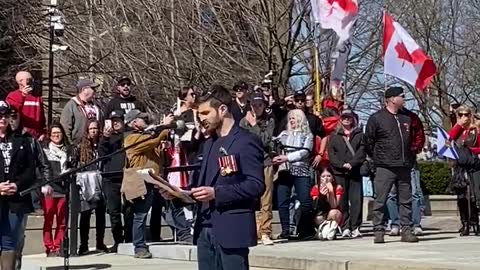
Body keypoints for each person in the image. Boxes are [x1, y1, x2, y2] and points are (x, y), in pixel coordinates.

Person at [164, 84, 264, 270]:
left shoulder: (245, 142)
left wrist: (217, 193)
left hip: (232, 228)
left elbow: (256, 185)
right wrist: (179, 194)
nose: (200, 119)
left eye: (205, 113)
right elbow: (202, 185)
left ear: (223, 110)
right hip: (204, 228)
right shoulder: (209, 143)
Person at [365, 86, 418, 244]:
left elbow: (413, 139)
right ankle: (379, 230)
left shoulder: (406, 118)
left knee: (406, 200)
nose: (404, 98)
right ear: (392, 99)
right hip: (385, 166)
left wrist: (411, 155)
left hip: (404, 165)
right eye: (402, 96)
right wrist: (377, 158)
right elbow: (368, 141)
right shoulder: (376, 118)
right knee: (381, 200)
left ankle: (406, 230)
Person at [0, 101, 49, 270]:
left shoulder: (22, 140)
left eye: (5, 116)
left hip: (15, 198)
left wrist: (17, 184)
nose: (3, 119)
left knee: (10, 242)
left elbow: (30, 169)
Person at [123, 109, 170, 259]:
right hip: (141, 180)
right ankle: (139, 246)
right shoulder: (131, 138)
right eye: (142, 119)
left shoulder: (147, 136)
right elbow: (151, 143)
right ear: (134, 122)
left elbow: (155, 148)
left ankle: (184, 235)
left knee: (174, 205)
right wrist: (164, 128)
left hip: (156, 178)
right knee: (140, 215)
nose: (145, 120)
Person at [239, 92, 276, 245]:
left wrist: (254, 125)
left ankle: (266, 231)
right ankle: (250, 230)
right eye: (254, 105)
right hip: (249, 163)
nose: (257, 108)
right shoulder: (243, 122)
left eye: (260, 105)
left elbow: (265, 140)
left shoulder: (270, 121)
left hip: (265, 161)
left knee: (266, 198)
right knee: (248, 197)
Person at [273, 109, 315, 240]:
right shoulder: (283, 134)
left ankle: (305, 230)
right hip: (284, 171)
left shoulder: (308, 135)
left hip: (301, 170)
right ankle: (286, 230)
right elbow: (274, 146)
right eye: (290, 118)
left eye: (294, 118)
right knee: (282, 201)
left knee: (305, 201)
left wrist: (287, 157)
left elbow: (305, 152)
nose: (291, 121)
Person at [386, 108, 426, 236]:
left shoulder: (412, 117)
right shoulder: (383, 117)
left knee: (414, 193)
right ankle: (395, 223)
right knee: (391, 195)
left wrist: (413, 149)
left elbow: (420, 135)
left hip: (409, 161)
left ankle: (415, 224)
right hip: (390, 161)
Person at [327, 108, 366, 238]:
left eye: (349, 117)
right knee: (342, 201)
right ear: (340, 119)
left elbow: (362, 152)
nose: (346, 119)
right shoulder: (334, 136)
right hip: (339, 172)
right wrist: (341, 165)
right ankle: (345, 226)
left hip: (354, 171)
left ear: (353, 119)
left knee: (356, 200)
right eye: (344, 117)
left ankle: (356, 226)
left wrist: (352, 163)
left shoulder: (360, 135)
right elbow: (332, 154)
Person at [98, 110, 133, 252]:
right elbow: (101, 154)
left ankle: (130, 239)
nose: (116, 123)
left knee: (129, 211)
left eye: (118, 120)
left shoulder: (129, 136)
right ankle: (118, 241)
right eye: (113, 121)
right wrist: (105, 138)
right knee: (114, 212)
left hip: (127, 177)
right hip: (110, 179)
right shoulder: (107, 138)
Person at [76, 120, 108, 255]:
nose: (94, 131)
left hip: (100, 181)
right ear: (87, 131)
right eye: (91, 129)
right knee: (85, 215)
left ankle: (100, 243)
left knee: (101, 216)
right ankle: (84, 244)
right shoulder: (81, 147)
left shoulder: (102, 144)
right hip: (87, 183)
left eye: (96, 128)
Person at [448, 105, 480, 236]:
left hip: (474, 165)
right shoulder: (458, 129)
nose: (464, 117)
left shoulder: (476, 129)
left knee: (475, 195)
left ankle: (475, 223)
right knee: (462, 196)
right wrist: (458, 126)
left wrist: (471, 152)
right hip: (461, 167)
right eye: (461, 114)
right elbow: (448, 141)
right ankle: (465, 223)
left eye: (466, 114)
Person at [42, 123, 70, 257]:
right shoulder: (45, 150)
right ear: (50, 135)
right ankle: (49, 247)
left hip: (63, 189)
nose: (56, 136)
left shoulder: (67, 150)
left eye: (58, 133)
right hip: (50, 190)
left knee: (62, 221)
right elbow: (42, 169)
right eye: (53, 133)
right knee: (48, 220)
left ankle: (58, 246)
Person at [6, 71, 47, 140]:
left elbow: (41, 118)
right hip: (19, 136)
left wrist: (42, 132)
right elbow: (12, 112)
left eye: (31, 80)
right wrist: (23, 96)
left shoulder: (37, 97)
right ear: (20, 82)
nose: (31, 82)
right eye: (28, 80)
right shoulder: (12, 96)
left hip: (36, 137)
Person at [60, 79, 103, 145]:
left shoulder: (97, 106)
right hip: (78, 146)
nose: (95, 91)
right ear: (84, 90)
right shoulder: (72, 105)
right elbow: (65, 129)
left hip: (95, 145)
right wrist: (70, 146)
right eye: (93, 88)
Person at [310, 168, 343, 240]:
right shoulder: (315, 187)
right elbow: (315, 206)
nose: (326, 178)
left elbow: (334, 206)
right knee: (318, 217)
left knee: (334, 212)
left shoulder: (338, 187)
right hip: (320, 214)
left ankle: (329, 231)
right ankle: (324, 231)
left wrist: (331, 192)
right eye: (323, 176)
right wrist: (321, 196)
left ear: (332, 178)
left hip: (332, 213)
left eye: (328, 176)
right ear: (320, 178)